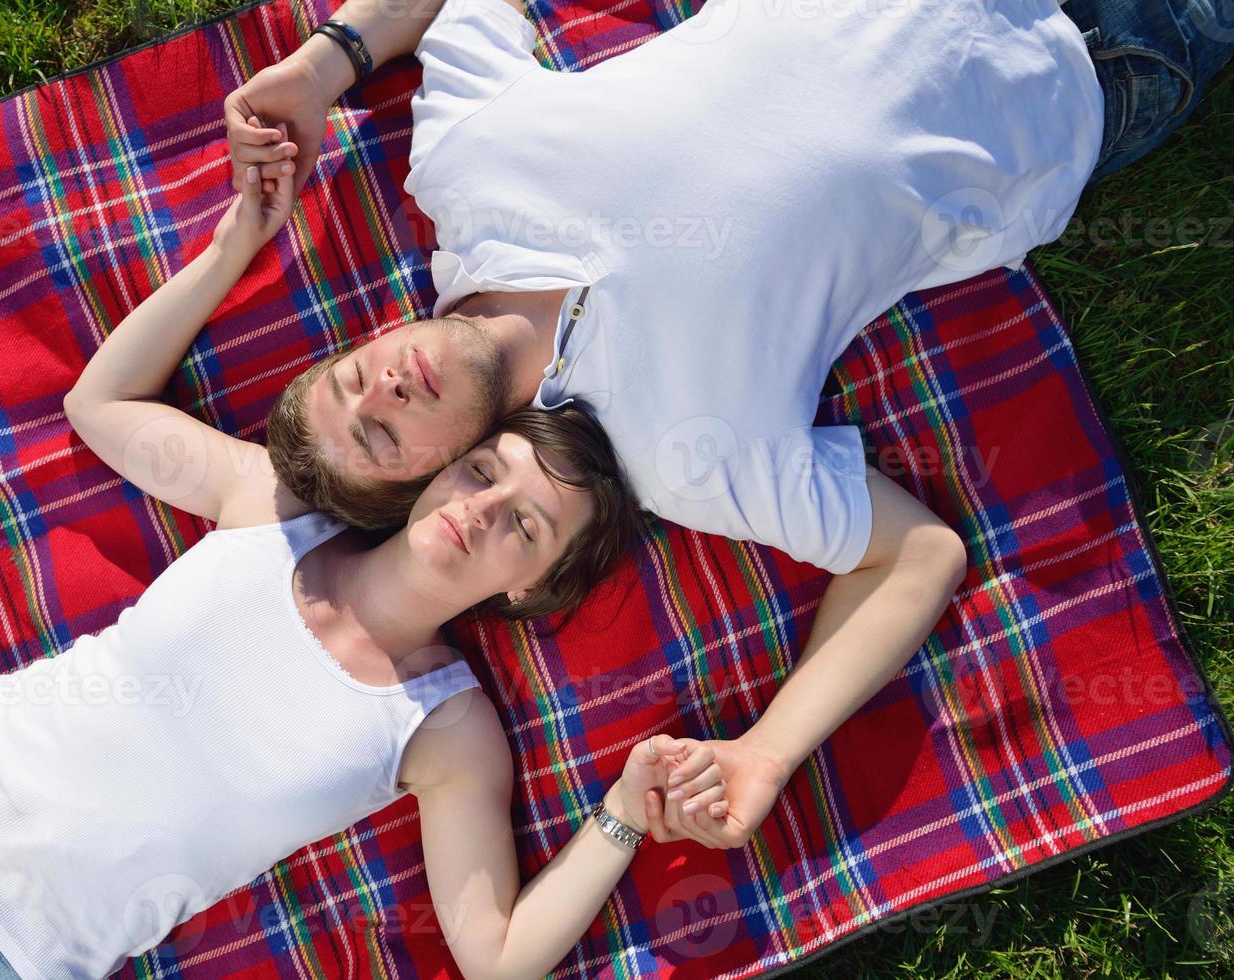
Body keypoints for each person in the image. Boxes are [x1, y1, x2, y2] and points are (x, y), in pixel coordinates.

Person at [219, 0, 1233, 849]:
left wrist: (322, 66)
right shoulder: (683, 456)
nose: (383, 390)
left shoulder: (459, 165)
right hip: (1079, 67)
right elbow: (914, 555)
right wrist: (764, 749)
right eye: (383, 437)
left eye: (352, 377)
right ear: (431, 482)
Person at [0, 169, 725, 979]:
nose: (476, 509)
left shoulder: (448, 731)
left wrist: (621, 813)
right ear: (438, 467)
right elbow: (100, 403)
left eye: (522, 524)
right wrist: (233, 245)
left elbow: (495, 955)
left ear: (534, 585)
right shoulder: (273, 505)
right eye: (479, 472)